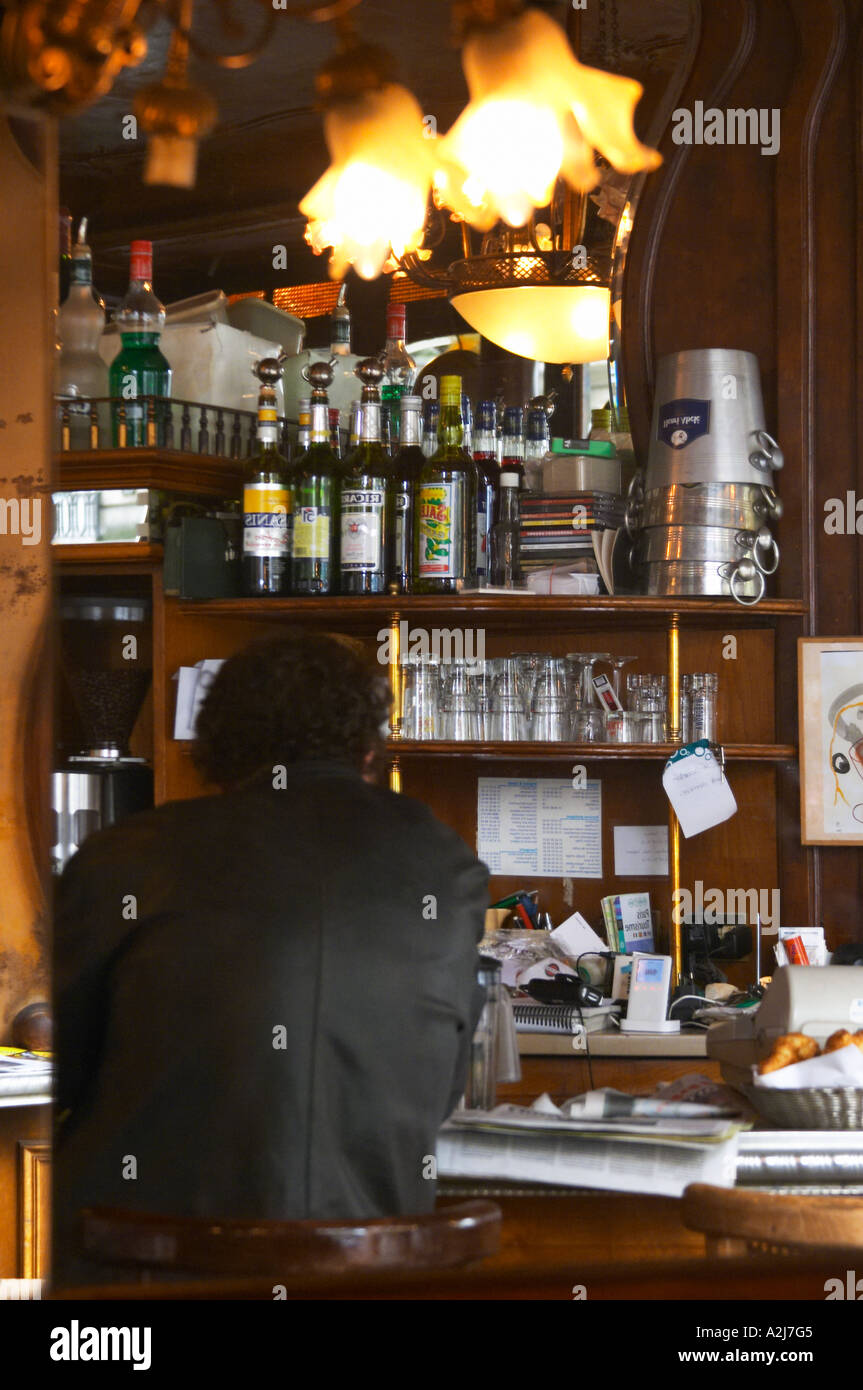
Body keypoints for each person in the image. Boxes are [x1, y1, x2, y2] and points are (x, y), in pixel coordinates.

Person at [52, 632, 489, 1287]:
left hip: (133, 1270)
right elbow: (442, 1089)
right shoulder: (445, 862)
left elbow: (51, 1071)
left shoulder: (128, 854)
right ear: (367, 752)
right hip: (370, 1274)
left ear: (217, 752)